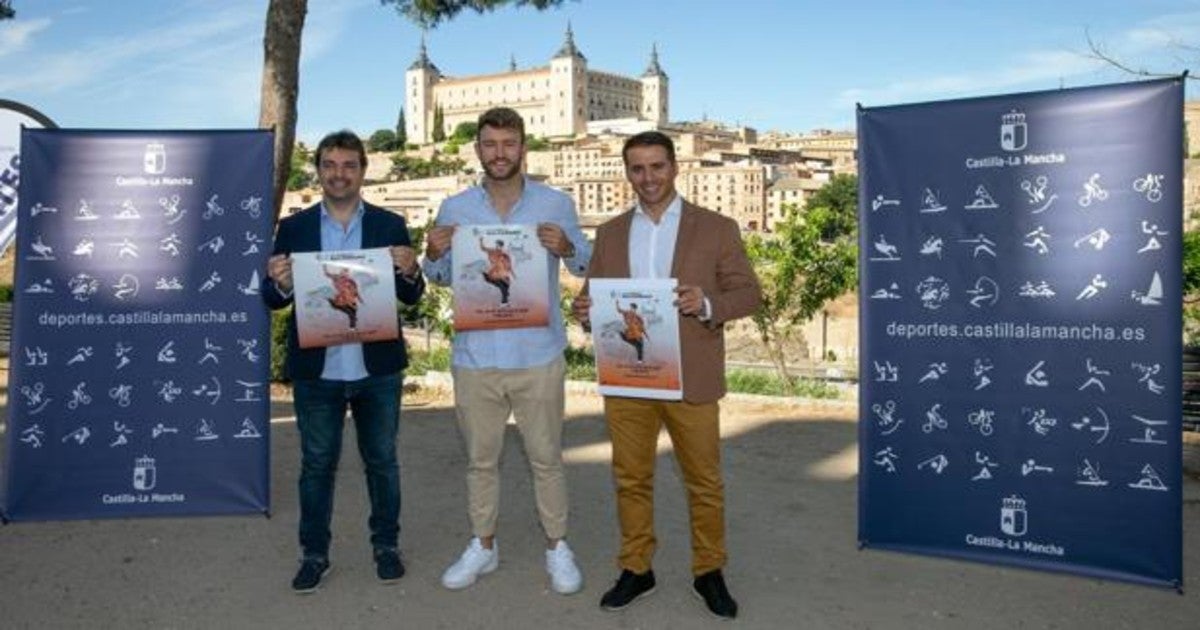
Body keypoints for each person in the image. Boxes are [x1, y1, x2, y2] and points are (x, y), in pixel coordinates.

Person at [572, 131, 762, 619]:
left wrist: (707, 304)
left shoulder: (717, 228)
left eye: (657, 166)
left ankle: (709, 571)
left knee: (704, 481)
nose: (648, 178)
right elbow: (592, 298)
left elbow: (748, 293)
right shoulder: (611, 232)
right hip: (628, 375)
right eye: (637, 168)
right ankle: (637, 568)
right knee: (630, 478)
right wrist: (584, 309)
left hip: (691, 375)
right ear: (627, 173)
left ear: (675, 167)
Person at [423, 107, 591, 595]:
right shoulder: (454, 209)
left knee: (548, 459)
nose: (500, 153)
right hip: (475, 357)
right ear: (477, 148)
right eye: (490, 144)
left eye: (509, 143)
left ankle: (558, 547)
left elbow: (585, 265)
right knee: (480, 462)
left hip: (538, 354)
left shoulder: (556, 204)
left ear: (524, 148)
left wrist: (567, 247)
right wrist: (433, 255)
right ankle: (484, 545)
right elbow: (438, 278)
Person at [263, 130, 425, 594]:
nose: (339, 173)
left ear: (363, 171)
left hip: (377, 370)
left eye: (348, 165)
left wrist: (411, 270)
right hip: (319, 372)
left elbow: (411, 297)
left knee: (383, 462)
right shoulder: (293, 230)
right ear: (318, 170)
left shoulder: (389, 224)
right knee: (316, 465)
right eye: (330, 165)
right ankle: (314, 554)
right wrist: (280, 282)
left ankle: (386, 547)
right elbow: (272, 299)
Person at [479, 237, 515, 305]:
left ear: (501, 246)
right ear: (496, 245)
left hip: (502, 272)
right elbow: (483, 248)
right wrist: (481, 241)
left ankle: (505, 301)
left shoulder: (504, 254)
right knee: (492, 279)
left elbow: (508, 265)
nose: (498, 246)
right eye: (497, 245)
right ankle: (505, 297)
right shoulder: (492, 251)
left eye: (500, 245)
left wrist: (512, 273)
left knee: (505, 284)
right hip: (494, 271)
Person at [615, 299, 647, 363]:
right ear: (630, 308)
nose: (632, 309)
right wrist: (617, 304)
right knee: (626, 337)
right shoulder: (627, 312)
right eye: (631, 308)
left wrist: (642, 330)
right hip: (629, 332)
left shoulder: (638, 316)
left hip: (637, 333)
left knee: (640, 345)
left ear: (635, 309)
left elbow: (642, 323)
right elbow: (619, 310)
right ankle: (623, 336)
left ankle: (640, 360)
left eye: (633, 308)